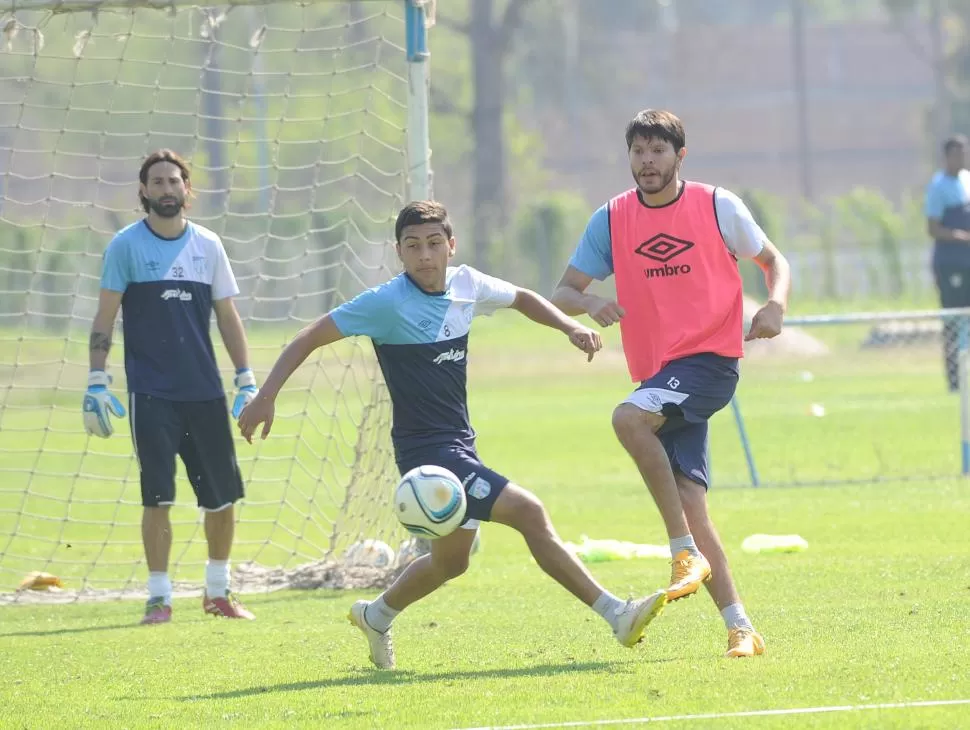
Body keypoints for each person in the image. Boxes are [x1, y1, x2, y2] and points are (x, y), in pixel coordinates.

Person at [237, 200, 667, 669]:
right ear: (398, 252)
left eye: (434, 243)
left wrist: (568, 326)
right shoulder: (385, 303)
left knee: (451, 562)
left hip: (460, 441)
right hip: (427, 454)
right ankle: (616, 614)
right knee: (528, 511)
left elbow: (522, 297)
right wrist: (266, 395)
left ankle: (375, 615)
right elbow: (307, 336)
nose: (424, 255)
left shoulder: (467, 284)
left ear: (451, 246)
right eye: (413, 246)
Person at [551, 109, 791, 658]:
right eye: (639, 152)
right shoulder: (611, 218)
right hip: (659, 376)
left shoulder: (716, 205)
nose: (647, 162)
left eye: (658, 151)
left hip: (709, 362)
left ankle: (680, 550)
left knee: (626, 417)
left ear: (680, 157)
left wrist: (776, 304)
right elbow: (563, 290)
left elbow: (773, 259)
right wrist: (590, 301)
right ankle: (741, 628)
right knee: (691, 501)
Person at [84, 149, 259, 624]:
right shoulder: (125, 246)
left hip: (205, 393)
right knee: (157, 497)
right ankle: (158, 598)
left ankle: (218, 592)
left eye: (173, 181)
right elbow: (105, 316)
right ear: (143, 191)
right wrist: (97, 379)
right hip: (151, 396)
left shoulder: (209, 245)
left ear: (187, 189)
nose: (166, 189)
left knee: (222, 497)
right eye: (157, 182)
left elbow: (228, 317)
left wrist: (246, 379)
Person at [925, 134, 970, 392]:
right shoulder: (938, 186)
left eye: (964, 152)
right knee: (953, 319)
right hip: (950, 263)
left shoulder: (967, 180)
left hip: (968, 262)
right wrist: (961, 237)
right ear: (946, 156)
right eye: (957, 153)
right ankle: (954, 380)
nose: (962, 158)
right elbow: (933, 228)